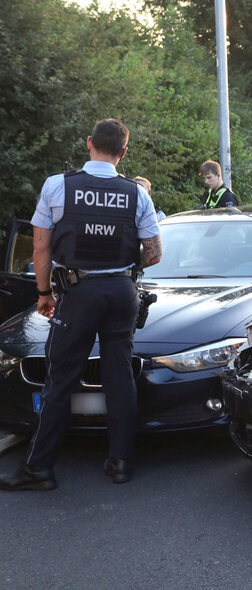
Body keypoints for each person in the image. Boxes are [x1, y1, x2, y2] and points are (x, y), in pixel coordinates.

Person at [0, 119, 163, 491]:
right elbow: (154, 253)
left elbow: (40, 246)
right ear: (123, 152)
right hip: (122, 291)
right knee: (119, 376)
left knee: (61, 379)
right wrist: (121, 267)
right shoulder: (137, 194)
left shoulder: (58, 185)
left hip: (79, 292)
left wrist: (44, 294)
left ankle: (39, 469)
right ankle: (121, 462)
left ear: (89, 143)